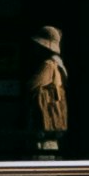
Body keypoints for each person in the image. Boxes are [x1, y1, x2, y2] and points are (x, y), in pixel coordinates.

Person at [27, 25, 70, 154]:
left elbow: (32, 85)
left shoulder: (48, 65)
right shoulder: (59, 64)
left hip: (44, 124)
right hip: (53, 125)